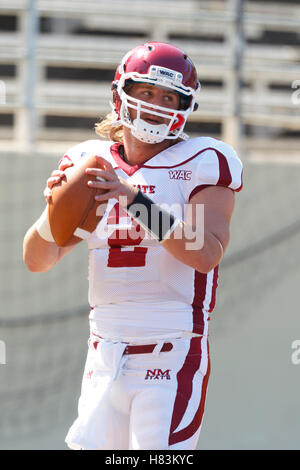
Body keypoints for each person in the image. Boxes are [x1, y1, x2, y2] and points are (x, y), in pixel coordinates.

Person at [23, 41, 243, 450]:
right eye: (146, 92)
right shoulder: (92, 161)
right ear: (119, 94)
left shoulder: (203, 158)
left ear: (185, 106)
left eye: (169, 97)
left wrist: (133, 199)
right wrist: (53, 212)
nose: (156, 104)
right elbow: (38, 260)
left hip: (171, 348)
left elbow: (206, 252)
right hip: (103, 351)